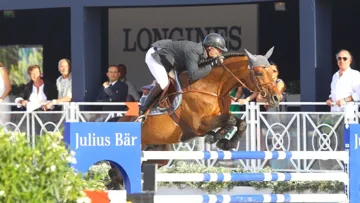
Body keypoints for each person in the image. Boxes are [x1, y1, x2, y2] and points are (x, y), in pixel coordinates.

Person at [139, 33, 228, 116]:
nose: (220, 53)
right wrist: (212, 64)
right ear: (210, 48)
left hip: (168, 60)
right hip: (155, 56)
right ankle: (143, 108)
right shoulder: (194, 51)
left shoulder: (203, 53)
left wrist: (213, 64)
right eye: (219, 51)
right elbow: (193, 76)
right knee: (163, 83)